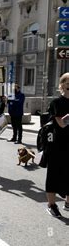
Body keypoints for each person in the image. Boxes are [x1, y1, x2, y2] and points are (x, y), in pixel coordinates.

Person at [45, 73, 69, 218]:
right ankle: (51, 205)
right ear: (62, 85)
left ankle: (67, 202)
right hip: (57, 145)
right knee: (54, 175)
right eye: (68, 83)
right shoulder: (56, 103)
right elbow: (61, 124)